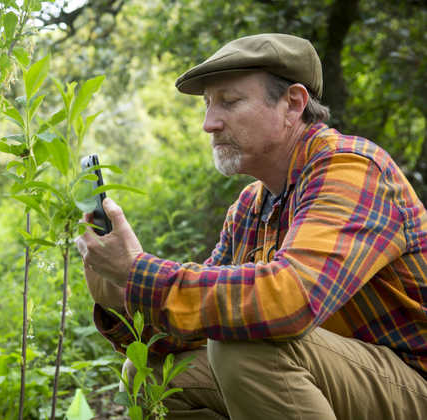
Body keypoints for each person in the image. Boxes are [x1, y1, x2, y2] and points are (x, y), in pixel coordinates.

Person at [76, 34, 427, 419]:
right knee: (150, 375)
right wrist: (121, 295)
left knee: (245, 345)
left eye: (229, 102)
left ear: (292, 103)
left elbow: (289, 300)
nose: (209, 123)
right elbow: (198, 325)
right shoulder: (250, 207)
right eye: (208, 105)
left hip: (413, 383)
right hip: (340, 380)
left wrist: (141, 272)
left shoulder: (353, 170)